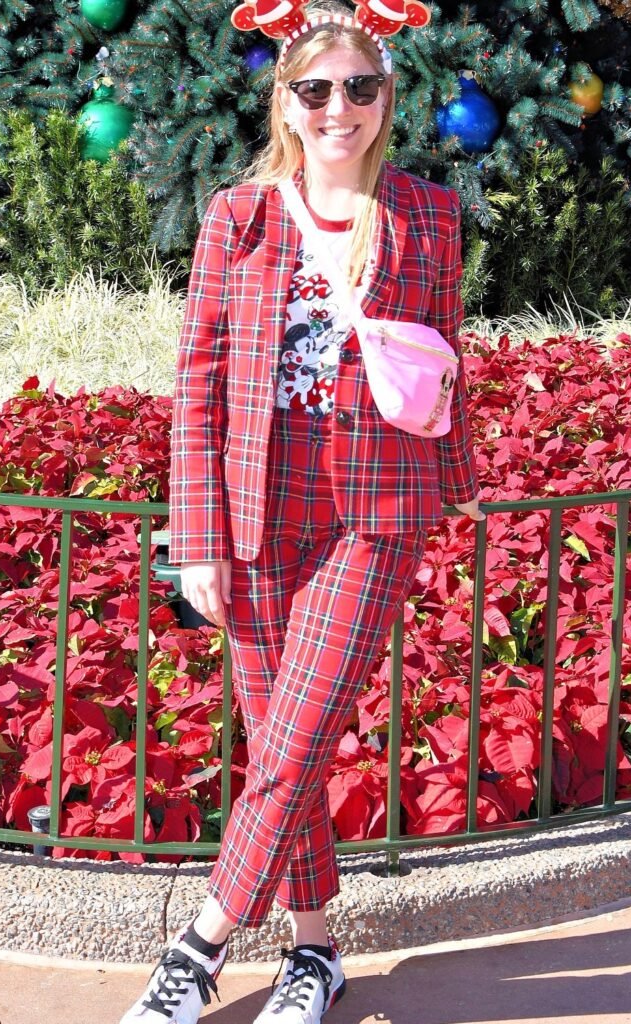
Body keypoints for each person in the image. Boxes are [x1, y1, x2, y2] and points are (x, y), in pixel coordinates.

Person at [120, 2, 483, 1022]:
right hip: (255, 510)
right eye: (314, 89)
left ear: (384, 97)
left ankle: (195, 950)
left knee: (294, 734)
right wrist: (193, 541)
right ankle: (313, 954)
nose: (338, 108)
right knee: (286, 736)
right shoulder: (238, 217)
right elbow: (195, 386)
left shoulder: (425, 215)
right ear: (285, 98)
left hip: (373, 512)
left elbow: (446, 358)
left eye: (358, 87)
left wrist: (451, 491)